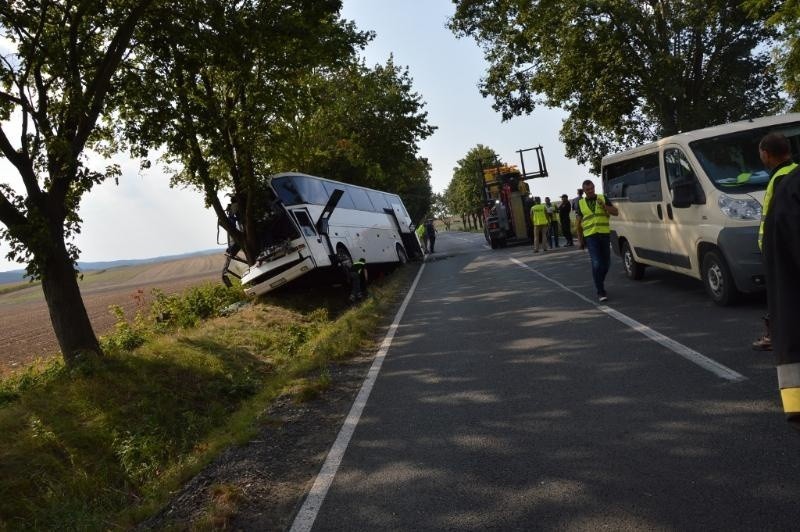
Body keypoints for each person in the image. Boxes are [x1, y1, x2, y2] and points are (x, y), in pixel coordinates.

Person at [758, 132, 800, 428]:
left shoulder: (781, 183)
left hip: (783, 266)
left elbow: (780, 226)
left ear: (765, 154)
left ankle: (796, 405)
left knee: (788, 322)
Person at [576, 179, 618, 302]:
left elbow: (616, 212)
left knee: (606, 264)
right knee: (596, 263)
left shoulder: (602, 198)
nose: (590, 191)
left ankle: (599, 280)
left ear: (594, 187)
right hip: (590, 236)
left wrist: (604, 206)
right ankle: (600, 291)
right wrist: (580, 240)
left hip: (604, 234)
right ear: (584, 191)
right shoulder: (581, 203)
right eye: (587, 190)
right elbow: (578, 223)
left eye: (592, 188)